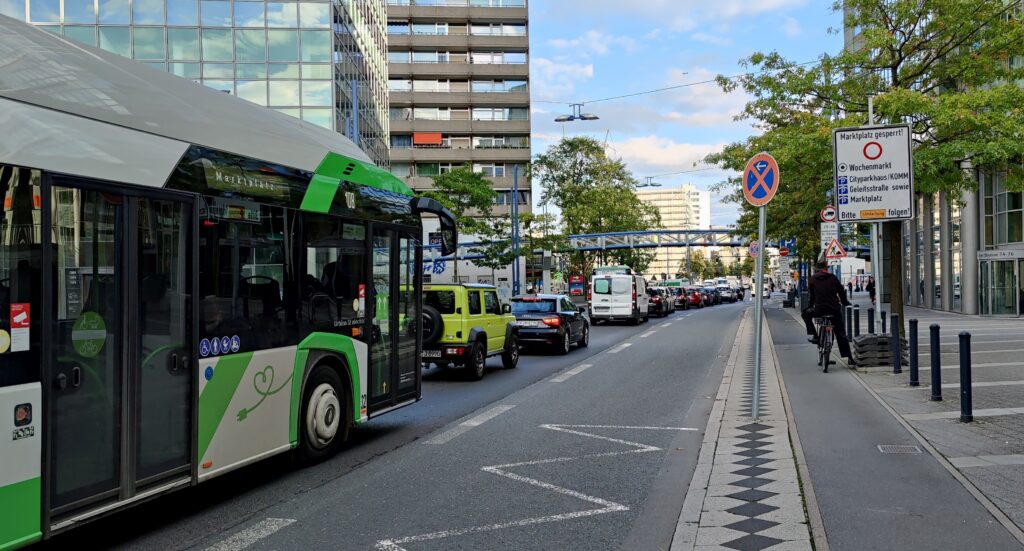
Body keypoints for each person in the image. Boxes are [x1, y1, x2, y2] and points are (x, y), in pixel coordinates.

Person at [802, 257, 854, 365]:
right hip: (834, 310)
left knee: (805, 314)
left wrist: (810, 307)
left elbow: (811, 297)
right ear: (826, 268)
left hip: (819, 310)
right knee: (840, 333)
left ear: (817, 269)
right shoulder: (833, 278)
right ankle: (849, 358)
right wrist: (844, 302)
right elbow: (841, 292)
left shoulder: (813, 279)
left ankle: (815, 336)